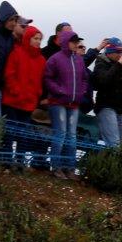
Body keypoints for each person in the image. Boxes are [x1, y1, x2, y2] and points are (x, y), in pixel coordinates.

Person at [42, 29, 92, 178]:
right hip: (57, 102)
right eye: (73, 41)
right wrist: (59, 91)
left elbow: (84, 79)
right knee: (61, 134)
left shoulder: (78, 60)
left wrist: (81, 92)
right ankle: (56, 167)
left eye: (77, 42)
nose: (76, 44)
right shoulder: (55, 59)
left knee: (72, 136)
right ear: (65, 42)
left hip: (74, 104)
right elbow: (47, 78)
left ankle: (69, 168)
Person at [91, 37, 122, 148]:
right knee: (114, 144)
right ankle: (106, 164)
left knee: (119, 145)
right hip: (105, 107)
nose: (121, 53)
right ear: (109, 51)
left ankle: (108, 163)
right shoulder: (101, 62)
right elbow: (103, 80)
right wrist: (118, 65)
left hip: (119, 109)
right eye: (118, 51)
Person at [1, 24, 46, 124]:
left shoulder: (42, 60)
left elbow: (40, 80)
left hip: (29, 103)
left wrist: (37, 93)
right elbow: (9, 75)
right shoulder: (16, 53)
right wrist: (16, 91)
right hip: (12, 101)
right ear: (28, 38)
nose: (38, 41)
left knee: (22, 135)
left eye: (40, 39)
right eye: (36, 38)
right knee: (10, 133)